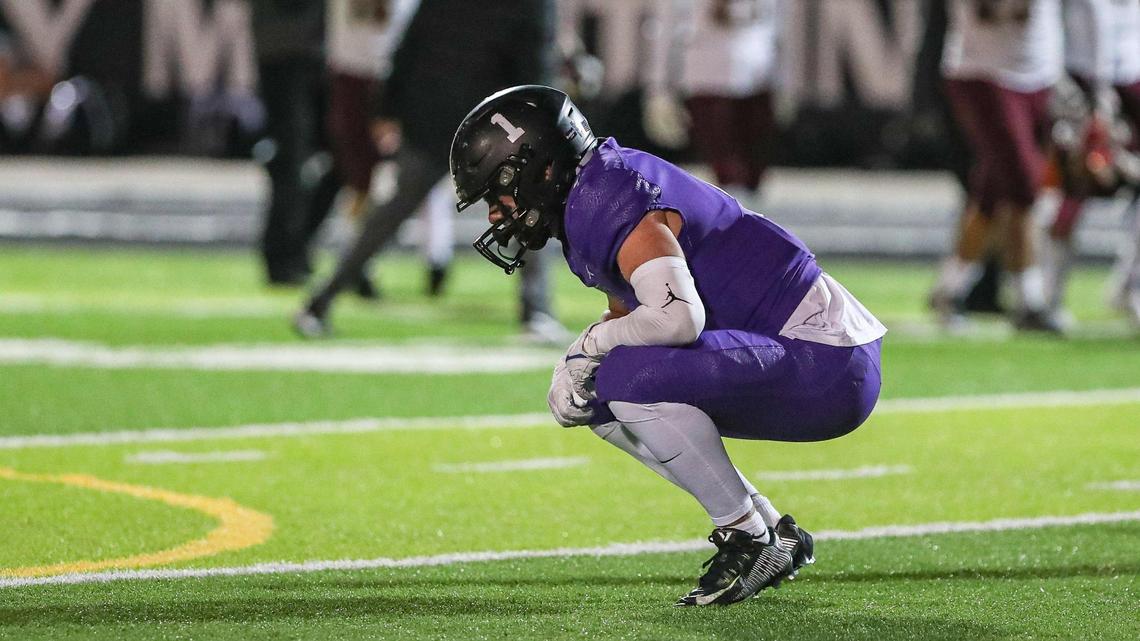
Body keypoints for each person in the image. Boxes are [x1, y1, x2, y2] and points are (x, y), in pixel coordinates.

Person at [450, 85, 886, 606]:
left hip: (824, 356)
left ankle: (747, 536)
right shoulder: (593, 193)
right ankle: (771, 530)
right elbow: (638, 311)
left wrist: (589, 343)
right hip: (805, 348)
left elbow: (677, 319)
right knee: (601, 393)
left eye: (498, 194)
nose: (497, 216)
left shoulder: (607, 194)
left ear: (540, 168)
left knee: (622, 377)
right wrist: (578, 361)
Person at [294, 0, 568, 343]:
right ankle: (537, 311)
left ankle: (320, 301)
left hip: (432, 115)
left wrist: (389, 106)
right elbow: (533, 64)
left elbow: (411, 44)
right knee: (530, 208)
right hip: (490, 125)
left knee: (391, 212)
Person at [929, 0, 1064, 332]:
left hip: (1042, 73)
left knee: (993, 191)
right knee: (1024, 186)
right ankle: (1028, 300)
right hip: (983, 71)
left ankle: (950, 288)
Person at [1043, 0, 1140, 326]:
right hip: (1082, 84)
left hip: (1131, 80)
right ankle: (1049, 295)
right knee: (1075, 188)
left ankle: (1131, 284)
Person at [644, 0, 782, 200]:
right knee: (729, 177)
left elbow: (778, 28)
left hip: (757, 79)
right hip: (707, 81)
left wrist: (784, 84)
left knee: (753, 178)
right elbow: (665, 29)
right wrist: (658, 90)